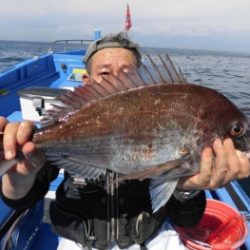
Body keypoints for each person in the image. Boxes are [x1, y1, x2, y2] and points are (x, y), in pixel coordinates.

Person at [0, 33, 249, 250]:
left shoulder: (166, 112)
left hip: (152, 238)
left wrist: (187, 189)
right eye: (105, 73)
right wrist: (20, 173)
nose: (116, 82)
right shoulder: (67, 126)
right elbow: (20, 197)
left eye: (127, 75)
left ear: (141, 82)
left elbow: (186, 219)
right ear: (87, 82)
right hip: (79, 242)